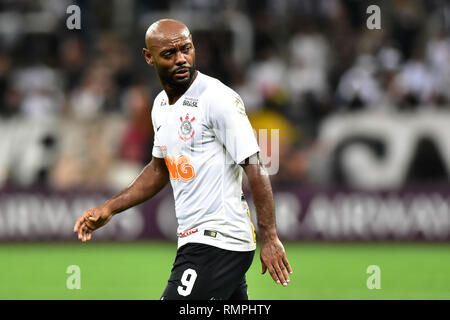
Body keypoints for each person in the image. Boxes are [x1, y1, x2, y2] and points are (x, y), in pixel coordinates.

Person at [73, 19, 292, 300]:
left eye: (186, 49)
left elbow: (255, 165)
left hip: (218, 240)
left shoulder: (218, 98)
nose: (181, 59)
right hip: (196, 239)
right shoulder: (160, 106)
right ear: (148, 57)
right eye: (169, 54)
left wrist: (270, 237)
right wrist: (110, 208)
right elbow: (158, 170)